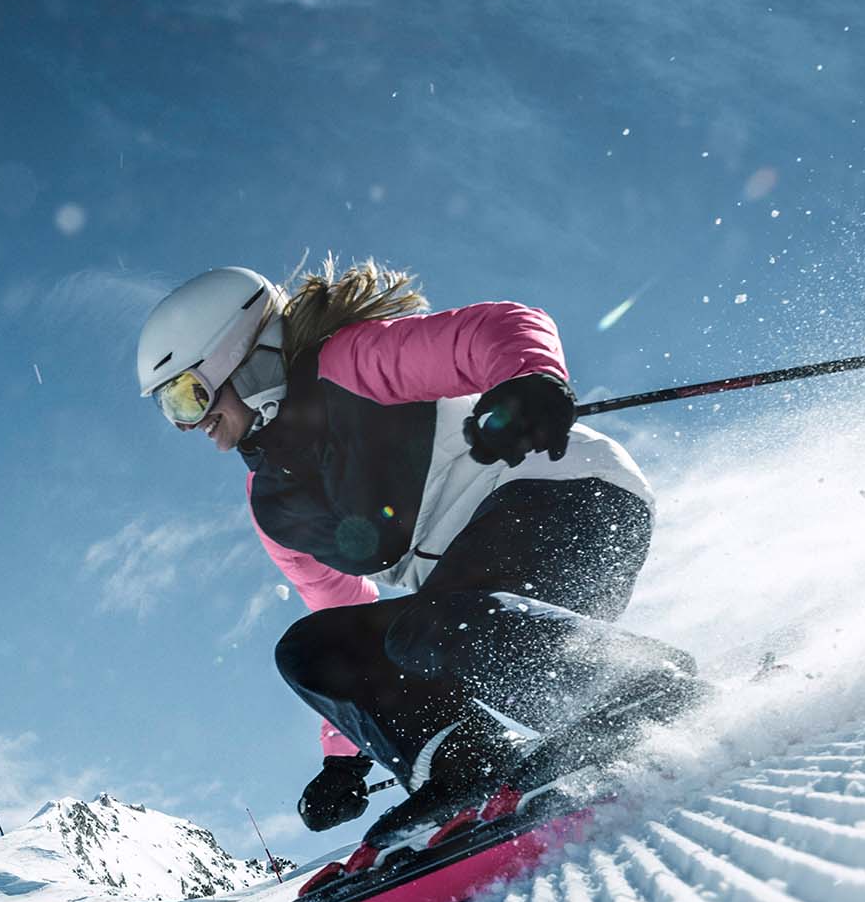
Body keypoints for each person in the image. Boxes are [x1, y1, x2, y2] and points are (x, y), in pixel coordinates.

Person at [134, 258, 695, 835]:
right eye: (168, 408)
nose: (187, 424)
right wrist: (344, 756)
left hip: (572, 500)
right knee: (308, 650)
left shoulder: (350, 363)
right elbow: (341, 615)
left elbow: (497, 327)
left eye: (187, 396)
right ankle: (463, 768)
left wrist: (529, 383)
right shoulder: (273, 503)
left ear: (243, 362)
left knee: (433, 623)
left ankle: (641, 692)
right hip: (471, 605)